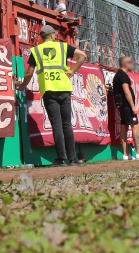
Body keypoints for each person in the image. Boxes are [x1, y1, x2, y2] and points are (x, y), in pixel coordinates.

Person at [17, 25, 87, 165]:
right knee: (67, 124)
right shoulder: (63, 47)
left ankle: (61, 159)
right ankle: (72, 159)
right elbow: (83, 56)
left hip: (49, 90)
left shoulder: (36, 51)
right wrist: (72, 71)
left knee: (56, 124)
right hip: (64, 88)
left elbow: (29, 72)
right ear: (54, 35)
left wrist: (22, 87)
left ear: (42, 37)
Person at [112, 55, 139, 161]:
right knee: (135, 126)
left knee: (124, 128)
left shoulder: (118, 75)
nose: (132, 64)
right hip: (127, 106)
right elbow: (126, 91)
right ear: (125, 64)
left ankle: (126, 155)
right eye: (130, 62)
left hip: (122, 106)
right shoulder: (123, 75)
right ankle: (138, 153)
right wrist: (133, 107)